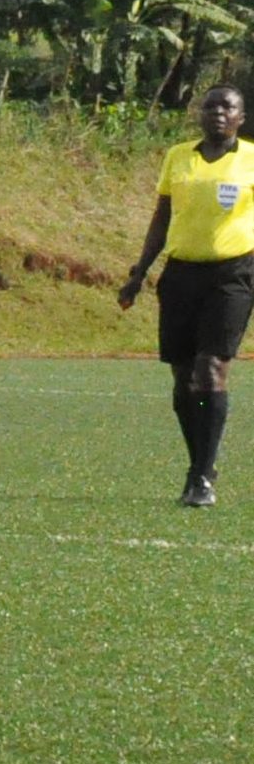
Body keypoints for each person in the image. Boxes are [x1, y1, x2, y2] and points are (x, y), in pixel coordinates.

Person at [119, 85, 254, 508]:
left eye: (228, 106)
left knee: (211, 369)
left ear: (241, 117)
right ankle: (202, 466)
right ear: (200, 113)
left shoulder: (251, 159)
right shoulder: (178, 157)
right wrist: (139, 273)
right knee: (183, 381)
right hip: (180, 275)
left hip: (232, 274)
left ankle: (201, 479)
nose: (218, 112)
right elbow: (161, 218)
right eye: (210, 105)